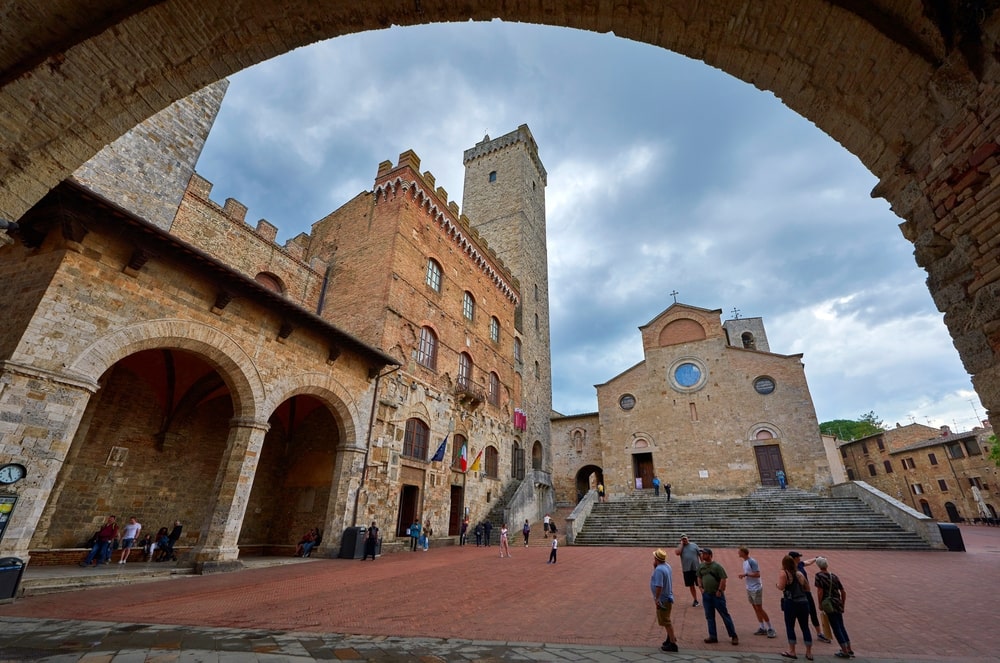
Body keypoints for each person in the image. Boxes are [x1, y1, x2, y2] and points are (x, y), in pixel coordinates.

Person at [696, 548, 739, 646]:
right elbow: (699, 576)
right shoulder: (701, 566)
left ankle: (733, 635)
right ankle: (713, 636)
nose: (702, 555)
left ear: (710, 555)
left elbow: (723, 578)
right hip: (706, 595)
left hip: (717, 595)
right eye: (702, 554)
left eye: (705, 554)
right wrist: (700, 588)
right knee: (709, 616)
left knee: (724, 615)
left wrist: (720, 590)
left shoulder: (717, 566)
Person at [814, 557, 853, 659]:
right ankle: (849, 648)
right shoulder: (834, 576)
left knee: (836, 627)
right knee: (841, 625)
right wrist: (842, 604)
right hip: (837, 602)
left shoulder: (819, 576)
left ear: (818, 565)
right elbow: (843, 591)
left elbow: (820, 591)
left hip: (829, 603)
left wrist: (820, 604)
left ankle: (844, 651)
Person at [777, 553, 813, 660]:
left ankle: (792, 651)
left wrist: (777, 585)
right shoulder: (799, 573)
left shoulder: (784, 573)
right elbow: (807, 588)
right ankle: (809, 652)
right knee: (805, 626)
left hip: (791, 602)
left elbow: (781, 587)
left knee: (790, 626)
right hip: (803, 602)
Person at [737, 546, 776, 638]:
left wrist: (745, 574)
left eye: (739, 551)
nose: (738, 553)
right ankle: (762, 627)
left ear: (743, 552)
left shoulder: (752, 561)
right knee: (755, 608)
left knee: (759, 608)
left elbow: (757, 574)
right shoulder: (745, 562)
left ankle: (770, 628)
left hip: (756, 588)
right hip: (749, 587)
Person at [789, 551, 826, 641]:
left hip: (807, 592)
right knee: (798, 615)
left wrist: (816, 558)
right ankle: (795, 634)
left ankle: (819, 633)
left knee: (813, 611)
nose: (800, 558)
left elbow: (808, 562)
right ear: (793, 558)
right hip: (798, 594)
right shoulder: (790, 569)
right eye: (798, 557)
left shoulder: (800, 564)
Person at [650, 548, 679, 652]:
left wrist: (657, 598)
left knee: (666, 621)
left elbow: (659, 586)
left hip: (663, 598)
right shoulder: (667, 566)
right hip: (668, 596)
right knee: (666, 619)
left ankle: (673, 643)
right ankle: (669, 639)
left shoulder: (659, 570)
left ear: (656, 558)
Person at [674, 533, 701, 606]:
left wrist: (702, 564)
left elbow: (700, 554)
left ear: (688, 538)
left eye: (685, 538)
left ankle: (705, 598)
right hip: (687, 569)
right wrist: (682, 545)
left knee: (700, 584)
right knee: (691, 585)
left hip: (696, 568)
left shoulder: (694, 545)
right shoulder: (680, 547)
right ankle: (695, 600)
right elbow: (677, 553)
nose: (684, 540)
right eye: (683, 539)